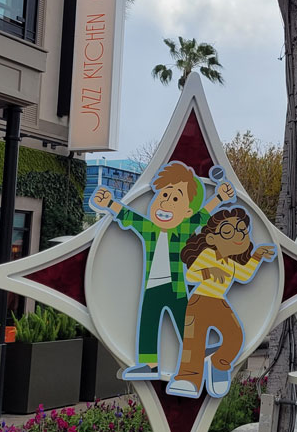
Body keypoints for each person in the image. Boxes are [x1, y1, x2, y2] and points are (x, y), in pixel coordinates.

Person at [91, 161, 234, 379]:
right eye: (163, 196)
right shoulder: (149, 229)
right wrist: (110, 203)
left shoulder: (183, 228)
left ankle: (200, 351)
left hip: (175, 287)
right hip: (152, 287)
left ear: (186, 210)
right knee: (148, 323)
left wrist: (220, 198)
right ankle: (149, 364)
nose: (166, 203)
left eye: (175, 198)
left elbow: (202, 215)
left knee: (185, 322)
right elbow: (130, 218)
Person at [169, 207, 275, 397]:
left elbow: (245, 274)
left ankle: (218, 364)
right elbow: (191, 275)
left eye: (242, 230)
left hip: (219, 303)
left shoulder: (232, 264)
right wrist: (209, 271)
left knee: (235, 337)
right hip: (199, 303)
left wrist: (257, 256)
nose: (238, 235)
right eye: (228, 231)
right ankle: (187, 379)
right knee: (194, 343)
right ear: (211, 239)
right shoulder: (208, 255)